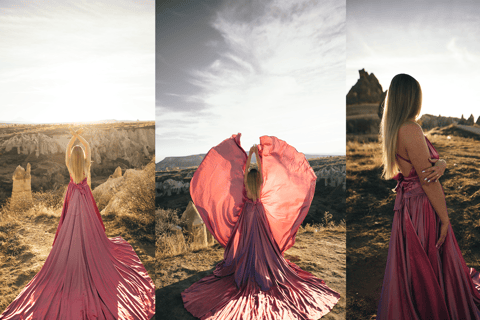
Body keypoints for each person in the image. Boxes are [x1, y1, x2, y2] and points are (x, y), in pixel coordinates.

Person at [0, 128, 155, 320]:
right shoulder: (85, 167)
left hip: (73, 198)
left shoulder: (70, 166)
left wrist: (72, 138)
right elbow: (88, 147)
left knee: (70, 227)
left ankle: (73, 247)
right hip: (85, 200)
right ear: (82, 156)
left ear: (72, 156)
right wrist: (80, 137)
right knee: (89, 226)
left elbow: (67, 152)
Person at [182, 134, 340, 319]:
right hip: (260, 214)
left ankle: (247, 265)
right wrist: (258, 152)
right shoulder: (260, 181)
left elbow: (243, 172)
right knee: (263, 242)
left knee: (246, 241)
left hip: (247, 215)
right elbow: (262, 170)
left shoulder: (245, 182)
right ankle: (262, 265)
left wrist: (249, 154)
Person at [377, 74, 480, 319]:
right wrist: (444, 218)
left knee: (415, 262)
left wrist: (442, 162)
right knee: (429, 259)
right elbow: (427, 179)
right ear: (413, 98)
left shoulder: (394, 129)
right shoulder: (411, 128)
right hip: (421, 206)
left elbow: (427, 165)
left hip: (407, 208)